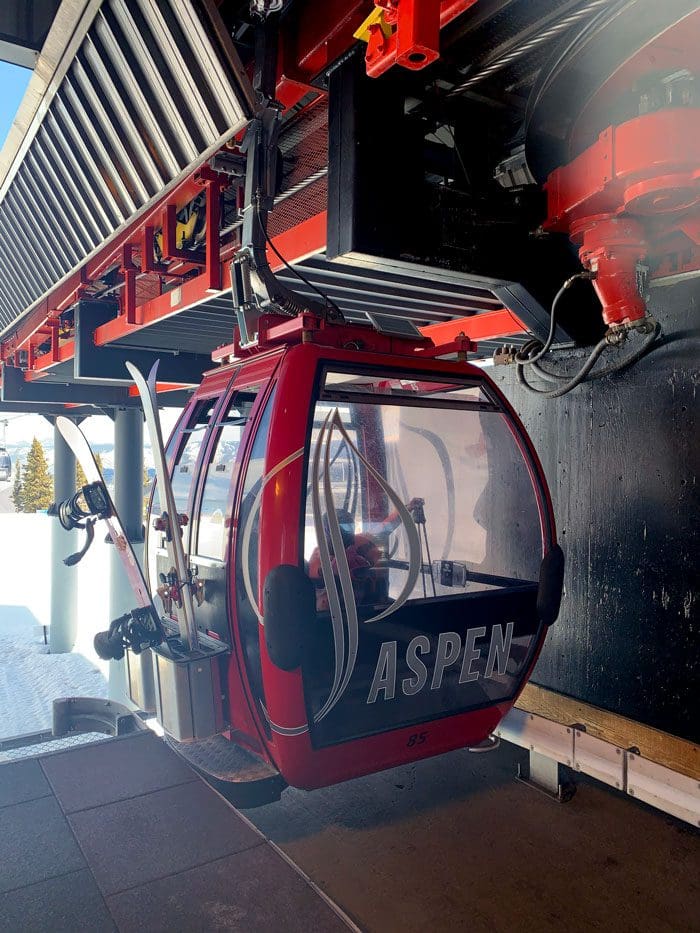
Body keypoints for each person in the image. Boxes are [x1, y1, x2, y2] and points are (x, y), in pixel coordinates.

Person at [308, 501, 422, 611]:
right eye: (340, 529)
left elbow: (385, 528)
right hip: (345, 616)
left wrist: (407, 508)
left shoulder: (361, 543)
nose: (346, 533)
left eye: (349, 527)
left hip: (375, 606)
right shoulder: (319, 562)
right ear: (326, 532)